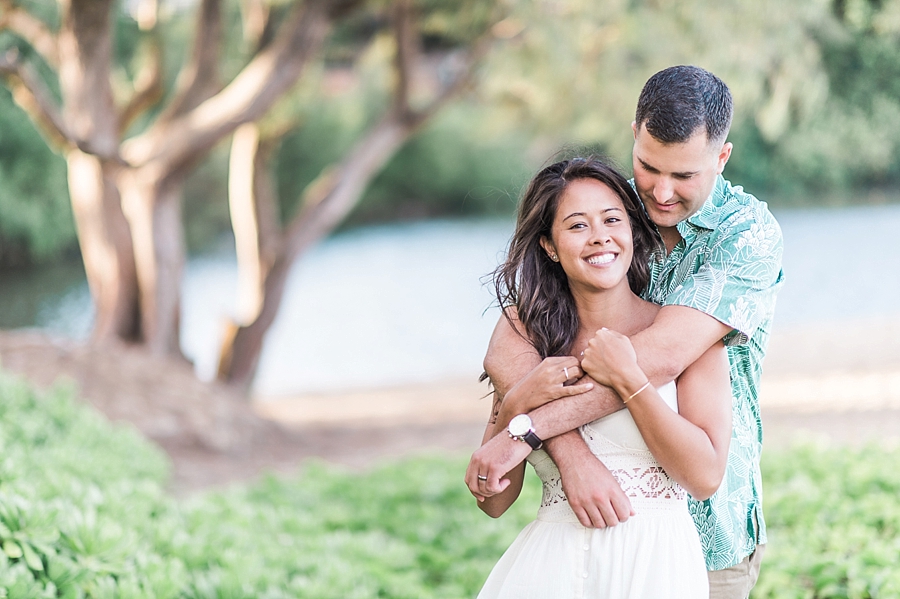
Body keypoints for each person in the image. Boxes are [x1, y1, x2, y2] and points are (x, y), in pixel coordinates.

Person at [466, 65, 784, 599]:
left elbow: (657, 360)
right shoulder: (605, 203)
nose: (659, 192)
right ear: (634, 134)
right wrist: (569, 456)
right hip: (562, 555)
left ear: (721, 158)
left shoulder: (747, 236)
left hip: (709, 530)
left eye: (684, 177)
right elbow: (510, 348)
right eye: (648, 167)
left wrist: (527, 429)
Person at [467, 157, 733, 598]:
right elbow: (495, 502)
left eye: (612, 219)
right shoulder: (529, 349)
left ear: (631, 230)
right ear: (549, 246)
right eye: (576, 226)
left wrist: (631, 380)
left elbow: (705, 476)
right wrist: (520, 399)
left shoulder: (685, 336)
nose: (600, 237)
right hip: (549, 569)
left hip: (654, 566)